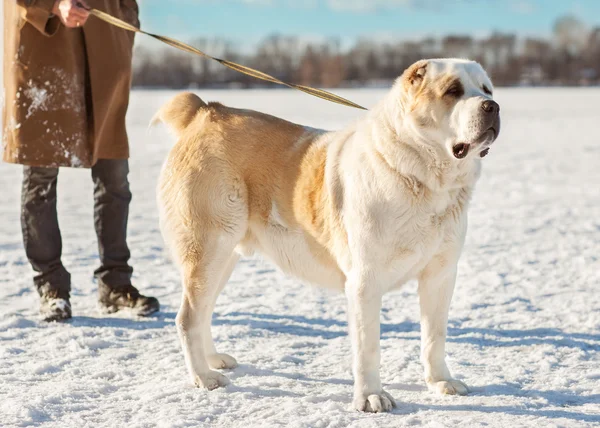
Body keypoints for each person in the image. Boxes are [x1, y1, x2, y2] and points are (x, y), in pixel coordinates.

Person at [2, 0, 159, 321]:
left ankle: (115, 284)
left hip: (105, 49)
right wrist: (51, 5)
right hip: (46, 48)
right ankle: (51, 286)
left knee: (114, 174)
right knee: (40, 176)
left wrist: (126, 18)